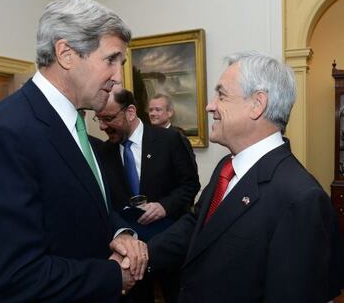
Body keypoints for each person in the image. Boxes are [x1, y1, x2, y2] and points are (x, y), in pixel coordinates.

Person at [0, 0, 148, 302]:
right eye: (111, 60)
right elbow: (10, 277)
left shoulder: (72, 124)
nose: (118, 78)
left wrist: (120, 234)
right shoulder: (5, 133)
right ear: (66, 54)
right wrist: (113, 276)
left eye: (121, 63)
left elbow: (84, 208)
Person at [148, 51, 344, 302]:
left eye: (221, 95)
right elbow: (196, 227)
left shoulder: (301, 199)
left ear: (257, 104)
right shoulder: (226, 167)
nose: (210, 106)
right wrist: (141, 254)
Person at [94, 87, 200, 303]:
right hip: (130, 253)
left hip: (169, 244)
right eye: (99, 119)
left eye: (108, 118)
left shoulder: (170, 140)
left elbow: (190, 184)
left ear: (130, 112)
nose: (103, 126)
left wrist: (164, 206)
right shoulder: (103, 153)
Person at [148, 94, 197, 170]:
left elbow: (189, 170)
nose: (153, 114)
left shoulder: (178, 137)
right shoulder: (148, 136)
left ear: (170, 112)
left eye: (158, 110)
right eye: (150, 110)